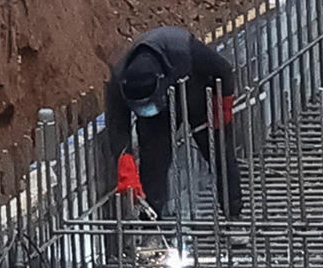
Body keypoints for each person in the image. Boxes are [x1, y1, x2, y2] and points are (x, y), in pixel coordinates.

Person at [103, 23, 246, 238]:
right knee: (153, 164)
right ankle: (153, 230)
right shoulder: (119, 80)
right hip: (158, 116)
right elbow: (117, 124)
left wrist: (222, 107)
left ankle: (233, 216)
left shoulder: (184, 51)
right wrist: (125, 161)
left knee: (219, 154)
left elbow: (224, 70)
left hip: (196, 95)